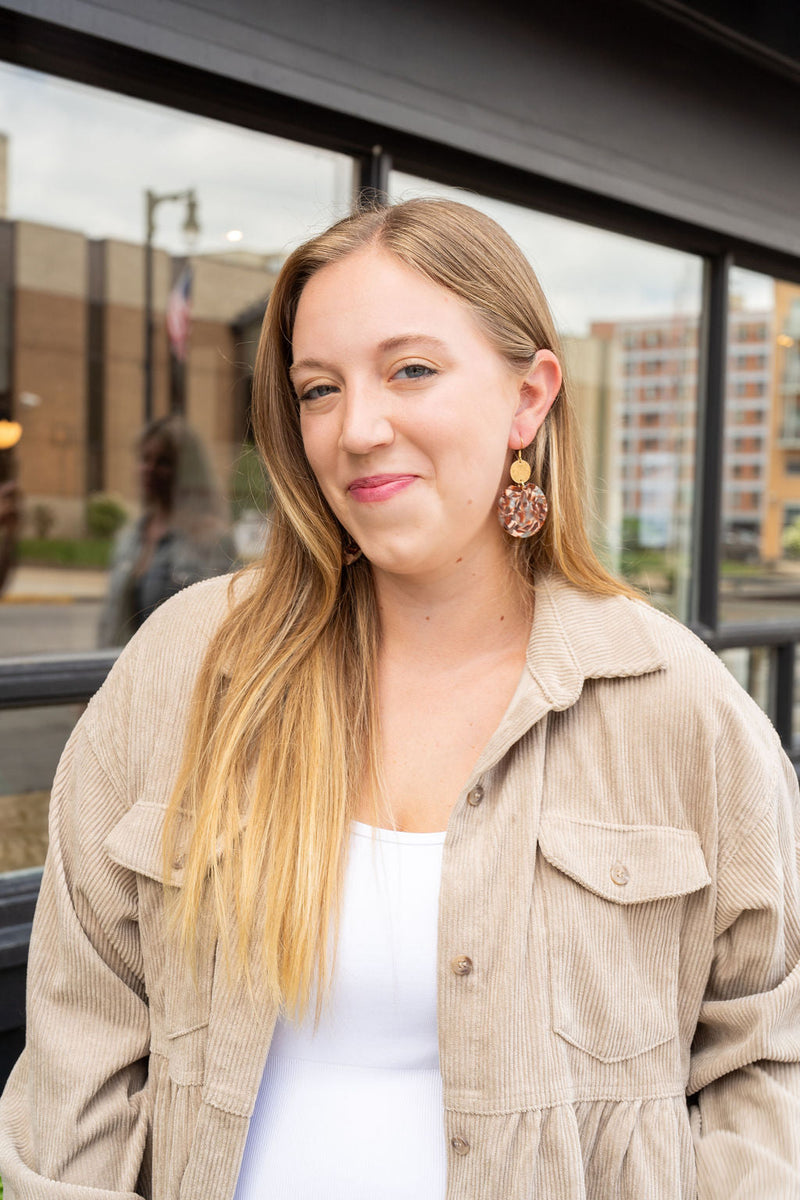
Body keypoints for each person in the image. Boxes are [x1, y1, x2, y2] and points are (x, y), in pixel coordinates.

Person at [1, 198, 799, 1200]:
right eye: (318, 389)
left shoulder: (677, 707)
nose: (356, 429)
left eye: (409, 370)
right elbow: (83, 1028)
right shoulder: (187, 668)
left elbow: (768, 1057)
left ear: (528, 397)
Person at [97, 415, 237, 646]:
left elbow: (218, 625)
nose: (150, 469)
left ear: (185, 469)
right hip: (121, 671)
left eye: (163, 462)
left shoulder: (210, 537)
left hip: (175, 674)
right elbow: (110, 623)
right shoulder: (130, 537)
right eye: (145, 459)